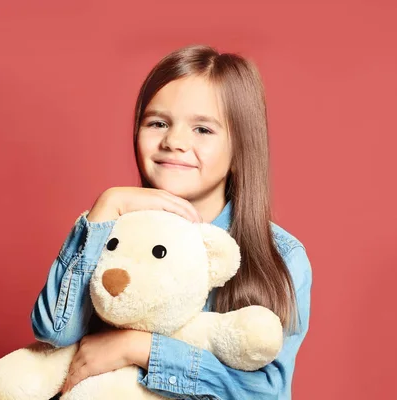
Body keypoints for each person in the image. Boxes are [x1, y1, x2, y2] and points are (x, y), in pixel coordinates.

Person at [31, 44, 313, 400]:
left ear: (240, 148)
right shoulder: (112, 232)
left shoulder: (281, 256)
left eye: (203, 130)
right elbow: (55, 332)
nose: (174, 141)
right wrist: (106, 206)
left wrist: (139, 347)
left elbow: (265, 393)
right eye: (158, 123)